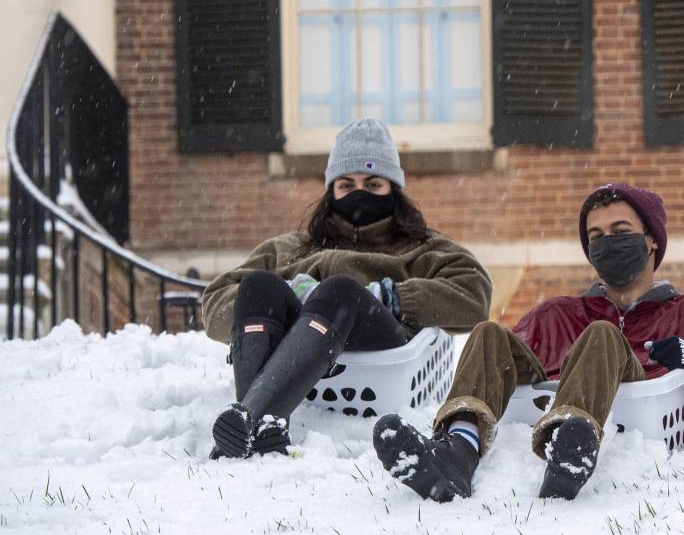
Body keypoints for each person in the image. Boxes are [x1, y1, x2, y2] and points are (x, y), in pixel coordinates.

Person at [373, 183, 684, 502]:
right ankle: (457, 452)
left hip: (643, 404)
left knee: (602, 335)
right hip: (559, 385)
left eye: (620, 230)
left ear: (651, 239)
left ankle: (570, 448)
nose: (607, 243)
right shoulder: (560, 315)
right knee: (488, 332)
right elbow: (504, 366)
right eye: (595, 237)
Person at [200, 118, 492, 458]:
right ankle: (262, 427)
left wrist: (390, 297)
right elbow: (216, 306)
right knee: (259, 284)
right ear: (331, 191)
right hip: (303, 343)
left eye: (372, 184)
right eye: (346, 184)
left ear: (393, 190)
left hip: (380, 349)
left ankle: (248, 420)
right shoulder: (289, 249)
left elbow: (474, 295)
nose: (358, 194)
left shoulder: (422, 249)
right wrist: (293, 299)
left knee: (340, 290)